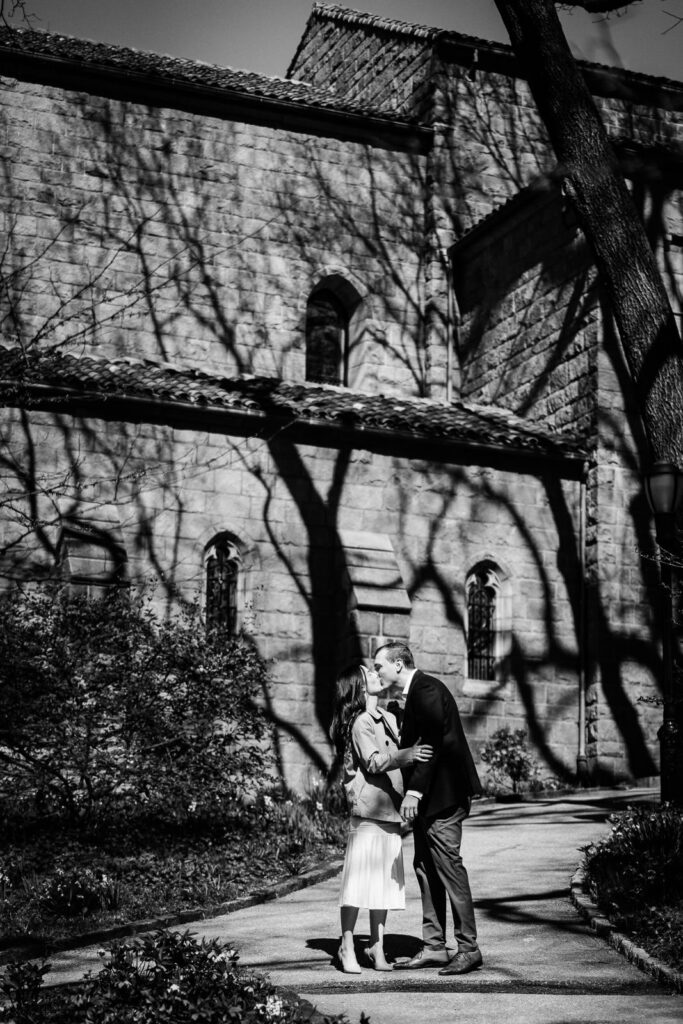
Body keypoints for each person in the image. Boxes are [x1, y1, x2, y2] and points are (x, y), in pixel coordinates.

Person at [373, 641, 484, 975]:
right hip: (429, 802)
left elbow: (432, 745)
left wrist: (415, 793)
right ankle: (434, 946)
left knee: (449, 868)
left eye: (379, 665)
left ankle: (469, 948)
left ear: (397, 664)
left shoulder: (428, 690)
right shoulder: (413, 695)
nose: (376, 671)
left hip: (443, 799)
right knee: (425, 867)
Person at [330, 662, 433, 974]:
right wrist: (407, 754)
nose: (376, 675)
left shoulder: (387, 716)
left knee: (382, 886)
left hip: (389, 810)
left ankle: (377, 945)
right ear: (359, 688)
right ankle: (347, 944)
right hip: (368, 812)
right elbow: (374, 763)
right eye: (369, 674)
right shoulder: (361, 722)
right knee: (359, 883)